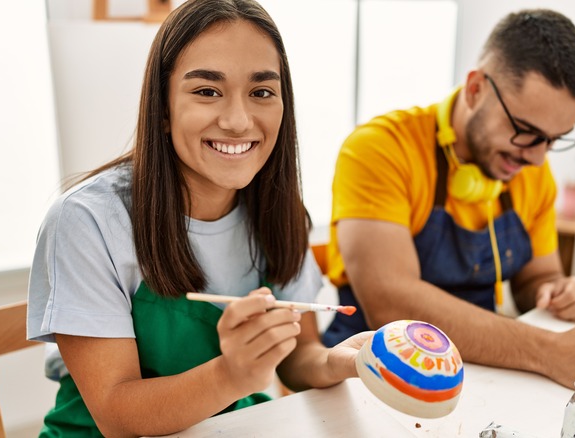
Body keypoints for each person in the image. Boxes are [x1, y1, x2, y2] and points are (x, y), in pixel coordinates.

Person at [26, 1, 369, 436]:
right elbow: (115, 414)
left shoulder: (280, 214)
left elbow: (298, 358)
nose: (238, 120)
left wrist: (344, 360)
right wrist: (232, 375)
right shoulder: (86, 222)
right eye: (207, 91)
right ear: (163, 109)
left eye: (261, 92)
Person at [321, 8, 575, 392]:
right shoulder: (379, 150)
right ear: (475, 89)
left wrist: (558, 291)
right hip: (371, 377)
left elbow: (538, 277)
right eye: (525, 131)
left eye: (553, 140)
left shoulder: (531, 170)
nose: (538, 158)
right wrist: (549, 352)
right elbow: (393, 303)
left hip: (479, 372)